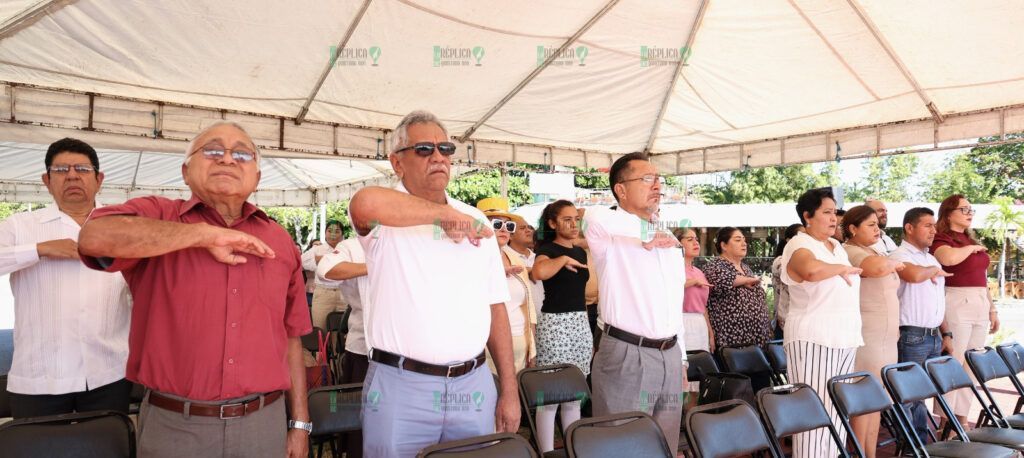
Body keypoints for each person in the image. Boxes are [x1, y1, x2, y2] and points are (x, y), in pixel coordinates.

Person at [77, 122, 312, 458]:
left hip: (263, 424)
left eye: (242, 153)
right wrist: (202, 236)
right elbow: (93, 237)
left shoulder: (279, 240)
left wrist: (300, 424)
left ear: (257, 179)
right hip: (176, 426)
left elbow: (291, 337)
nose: (228, 159)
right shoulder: (159, 215)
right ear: (186, 172)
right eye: (213, 150)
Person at [346, 110, 518, 457]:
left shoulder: (477, 220)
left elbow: (495, 305)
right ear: (397, 163)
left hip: (473, 383)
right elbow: (363, 204)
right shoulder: (385, 218)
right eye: (424, 149)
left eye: (445, 148)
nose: (438, 156)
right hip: (400, 385)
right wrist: (443, 215)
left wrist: (509, 390)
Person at [0, 138, 132, 419]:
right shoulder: (20, 226)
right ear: (46, 181)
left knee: (105, 448)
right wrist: (39, 249)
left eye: (82, 169)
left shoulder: (124, 226)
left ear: (99, 179)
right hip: (39, 377)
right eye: (60, 170)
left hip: (108, 373)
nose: (72, 175)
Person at [583, 152, 686, 452]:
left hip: (669, 353)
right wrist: (645, 233)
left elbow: (673, 300)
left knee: (663, 444)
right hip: (627, 354)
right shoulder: (608, 232)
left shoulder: (666, 238)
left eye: (658, 179)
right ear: (621, 189)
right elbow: (591, 218)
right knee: (620, 445)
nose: (656, 185)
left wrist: (681, 359)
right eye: (646, 179)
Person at [781, 188, 863, 458]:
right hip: (814, 338)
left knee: (838, 414)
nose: (834, 218)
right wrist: (841, 269)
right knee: (814, 420)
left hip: (844, 337)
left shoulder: (836, 246)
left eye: (835, 212)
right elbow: (811, 270)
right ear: (807, 216)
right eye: (826, 212)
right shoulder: (799, 244)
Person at [842, 205, 905, 458]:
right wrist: (893, 263)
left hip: (887, 336)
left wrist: (891, 262)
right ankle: (860, 454)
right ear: (852, 229)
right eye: (870, 225)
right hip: (868, 334)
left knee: (877, 401)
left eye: (877, 224)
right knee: (864, 400)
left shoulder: (875, 250)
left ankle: (870, 454)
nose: (876, 229)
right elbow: (876, 269)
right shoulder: (850, 250)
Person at [931, 194, 997, 426]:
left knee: (972, 363)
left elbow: (982, 277)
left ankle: (962, 418)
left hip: (978, 299)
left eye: (971, 209)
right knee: (954, 361)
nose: (969, 213)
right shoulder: (941, 238)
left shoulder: (969, 240)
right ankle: (946, 421)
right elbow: (947, 259)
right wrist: (973, 249)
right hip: (957, 301)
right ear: (949, 213)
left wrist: (992, 308)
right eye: (964, 209)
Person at [888, 207, 953, 444]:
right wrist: (934, 270)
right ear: (909, 228)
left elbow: (940, 299)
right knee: (908, 394)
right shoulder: (898, 255)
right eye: (928, 225)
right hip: (911, 334)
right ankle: (911, 446)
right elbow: (913, 276)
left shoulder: (930, 258)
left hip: (933, 335)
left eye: (934, 226)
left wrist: (947, 333)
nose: (934, 231)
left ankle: (920, 444)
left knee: (922, 393)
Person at [530, 199, 591, 454]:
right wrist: (563, 258)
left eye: (576, 219)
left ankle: (571, 449)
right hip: (555, 324)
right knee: (550, 398)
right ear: (553, 223)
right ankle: (546, 453)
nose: (573, 224)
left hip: (579, 321)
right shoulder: (548, 249)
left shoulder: (580, 251)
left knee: (574, 394)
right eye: (566, 219)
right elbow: (539, 273)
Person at [316, 230, 370, 458]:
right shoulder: (353, 245)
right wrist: (375, 267)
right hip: (363, 349)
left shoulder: (413, 241)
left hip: (408, 355)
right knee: (361, 424)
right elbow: (326, 270)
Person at [477, 197, 536, 374]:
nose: (504, 229)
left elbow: (529, 306)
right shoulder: (472, 259)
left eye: (509, 226)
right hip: (487, 346)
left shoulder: (516, 260)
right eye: (497, 224)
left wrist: (532, 347)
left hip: (520, 345)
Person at [703, 227, 772, 349]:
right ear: (724, 245)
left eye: (744, 240)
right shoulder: (714, 265)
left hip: (757, 337)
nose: (744, 243)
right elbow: (724, 279)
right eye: (738, 240)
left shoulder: (746, 268)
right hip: (732, 338)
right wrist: (748, 280)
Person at [677, 227, 713, 404]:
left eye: (696, 239)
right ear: (678, 243)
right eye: (689, 239)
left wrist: (710, 333)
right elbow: (668, 291)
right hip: (681, 321)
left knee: (700, 375)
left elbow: (704, 306)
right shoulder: (673, 268)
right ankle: (681, 418)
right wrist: (691, 283)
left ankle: (694, 416)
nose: (696, 242)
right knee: (684, 373)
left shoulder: (699, 272)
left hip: (699, 323)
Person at [302, 220, 346, 330]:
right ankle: (323, 348)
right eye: (329, 231)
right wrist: (325, 258)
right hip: (323, 293)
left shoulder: (347, 249)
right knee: (321, 329)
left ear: (342, 234)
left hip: (344, 294)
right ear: (325, 233)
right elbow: (301, 262)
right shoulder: (317, 249)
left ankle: (337, 348)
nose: (333, 234)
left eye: (337, 231)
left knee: (341, 330)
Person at [771, 223, 804, 338]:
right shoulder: (780, 261)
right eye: (802, 236)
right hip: (785, 320)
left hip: (803, 321)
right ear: (789, 240)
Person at [508, 221, 544, 317]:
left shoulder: (539, 256)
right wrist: (527, 270)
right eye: (522, 228)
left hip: (544, 317)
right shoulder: (504, 257)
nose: (529, 230)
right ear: (510, 235)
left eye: (529, 227)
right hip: (519, 320)